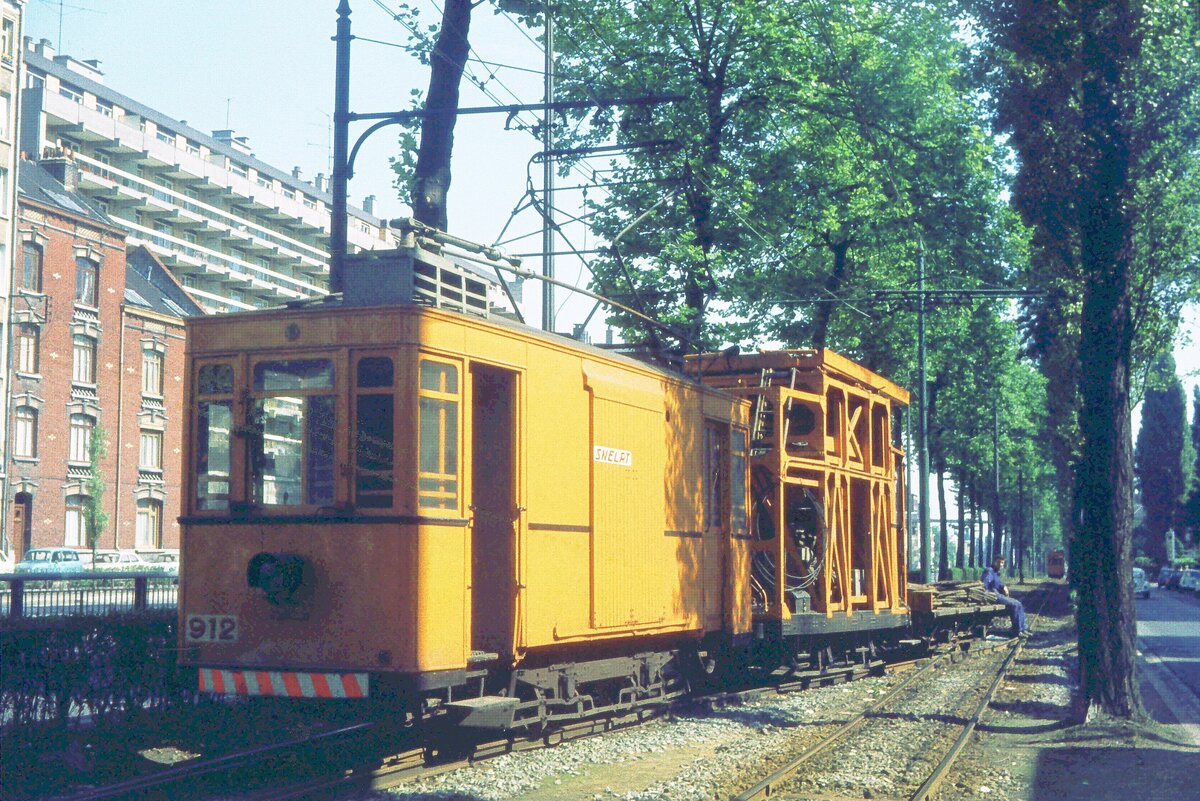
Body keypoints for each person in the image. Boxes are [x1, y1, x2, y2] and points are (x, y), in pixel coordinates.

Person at [982, 556, 1028, 636]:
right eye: (999, 562)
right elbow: (985, 585)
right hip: (993, 595)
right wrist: (991, 593)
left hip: (998, 594)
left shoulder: (996, 572)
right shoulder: (989, 571)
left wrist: (1003, 586)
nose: (1000, 564)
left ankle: (1024, 628)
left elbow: (998, 583)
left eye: (1002, 563)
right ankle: (1018, 630)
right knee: (1015, 605)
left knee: (1019, 604)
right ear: (994, 561)